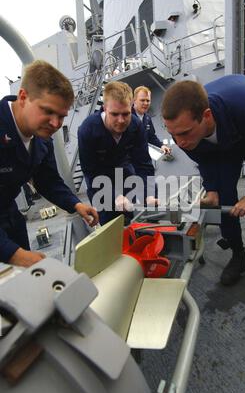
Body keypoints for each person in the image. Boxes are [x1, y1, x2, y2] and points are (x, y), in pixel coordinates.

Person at [161, 76, 245, 302]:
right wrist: (211, 189)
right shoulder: (185, 133)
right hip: (218, 144)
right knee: (220, 199)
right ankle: (238, 255)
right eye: (173, 134)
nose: (179, 142)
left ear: (206, 116)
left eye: (183, 133)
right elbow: (204, 158)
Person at [0, 60, 99, 268]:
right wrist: (13, 254)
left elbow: (47, 180)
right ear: (23, 97)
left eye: (62, 116)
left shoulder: (42, 137)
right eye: (48, 111)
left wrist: (75, 204)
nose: (55, 124)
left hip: (9, 218)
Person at [78, 81, 156, 225]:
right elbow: (91, 172)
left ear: (131, 107)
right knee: (112, 229)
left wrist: (148, 194)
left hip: (126, 175)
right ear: (104, 108)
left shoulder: (135, 125)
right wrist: (114, 196)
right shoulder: (88, 130)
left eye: (126, 114)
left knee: (145, 220)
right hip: (99, 182)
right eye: (114, 114)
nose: (121, 121)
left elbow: (143, 164)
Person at [133, 86, 171, 155]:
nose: (145, 103)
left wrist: (161, 146)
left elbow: (151, 137)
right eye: (142, 100)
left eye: (148, 100)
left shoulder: (147, 118)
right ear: (134, 100)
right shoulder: (125, 116)